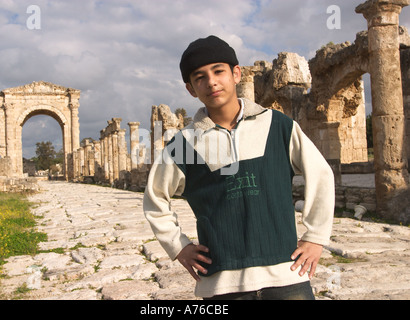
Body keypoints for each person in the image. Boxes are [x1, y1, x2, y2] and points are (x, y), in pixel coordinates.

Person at [143, 35, 335, 300]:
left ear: (236, 74)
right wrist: (178, 246)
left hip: (286, 273)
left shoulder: (278, 126)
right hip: (222, 283)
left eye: (218, 71)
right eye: (199, 77)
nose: (211, 82)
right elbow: (155, 198)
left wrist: (315, 236)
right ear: (190, 89)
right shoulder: (183, 144)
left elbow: (321, 174)